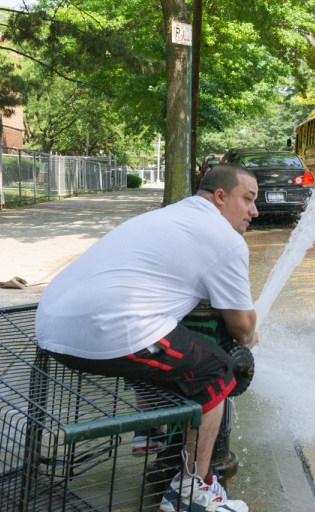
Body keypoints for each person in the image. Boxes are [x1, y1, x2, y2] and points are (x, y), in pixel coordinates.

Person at [35, 163, 260, 512]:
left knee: (168, 342)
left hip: (51, 328)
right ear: (220, 196)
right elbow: (242, 328)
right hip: (105, 334)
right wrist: (248, 333)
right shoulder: (225, 240)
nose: (254, 211)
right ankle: (188, 494)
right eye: (247, 199)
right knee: (217, 370)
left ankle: (151, 431)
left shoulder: (169, 216)